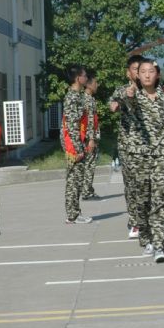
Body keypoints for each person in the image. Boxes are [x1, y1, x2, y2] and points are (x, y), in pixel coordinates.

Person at [126, 60, 164, 262]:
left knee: (159, 200)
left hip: (161, 154)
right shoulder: (131, 96)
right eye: (143, 71)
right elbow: (125, 102)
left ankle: (159, 245)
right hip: (139, 155)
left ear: (158, 75)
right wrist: (129, 95)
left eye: (151, 71)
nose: (147, 75)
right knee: (142, 200)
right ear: (137, 75)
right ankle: (146, 238)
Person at [109, 55, 144, 238]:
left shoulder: (152, 91)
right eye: (135, 69)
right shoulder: (121, 90)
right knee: (131, 186)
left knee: (148, 185)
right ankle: (135, 221)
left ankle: (148, 220)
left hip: (149, 146)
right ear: (128, 72)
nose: (138, 73)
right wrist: (116, 104)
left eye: (141, 69)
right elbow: (112, 104)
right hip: (128, 146)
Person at [62, 64, 93, 225]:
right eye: (84, 75)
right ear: (77, 78)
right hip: (73, 145)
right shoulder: (72, 97)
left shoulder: (77, 95)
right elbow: (72, 125)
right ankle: (72, 215)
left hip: (77, 142)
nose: (86, 78)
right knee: (74, 180)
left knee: (77, 180)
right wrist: (78, 148)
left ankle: (74, 212)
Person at [81, 72, 101, 200]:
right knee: (89, 165)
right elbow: (88, 121)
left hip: (92, 136)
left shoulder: (90, 98)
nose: (97, 85)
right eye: (95, 83)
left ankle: (89, 189)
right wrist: (91, 139)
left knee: (90, 164)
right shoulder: (87, 100)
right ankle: (86, 192)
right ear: (89, 85)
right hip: (89, 138)